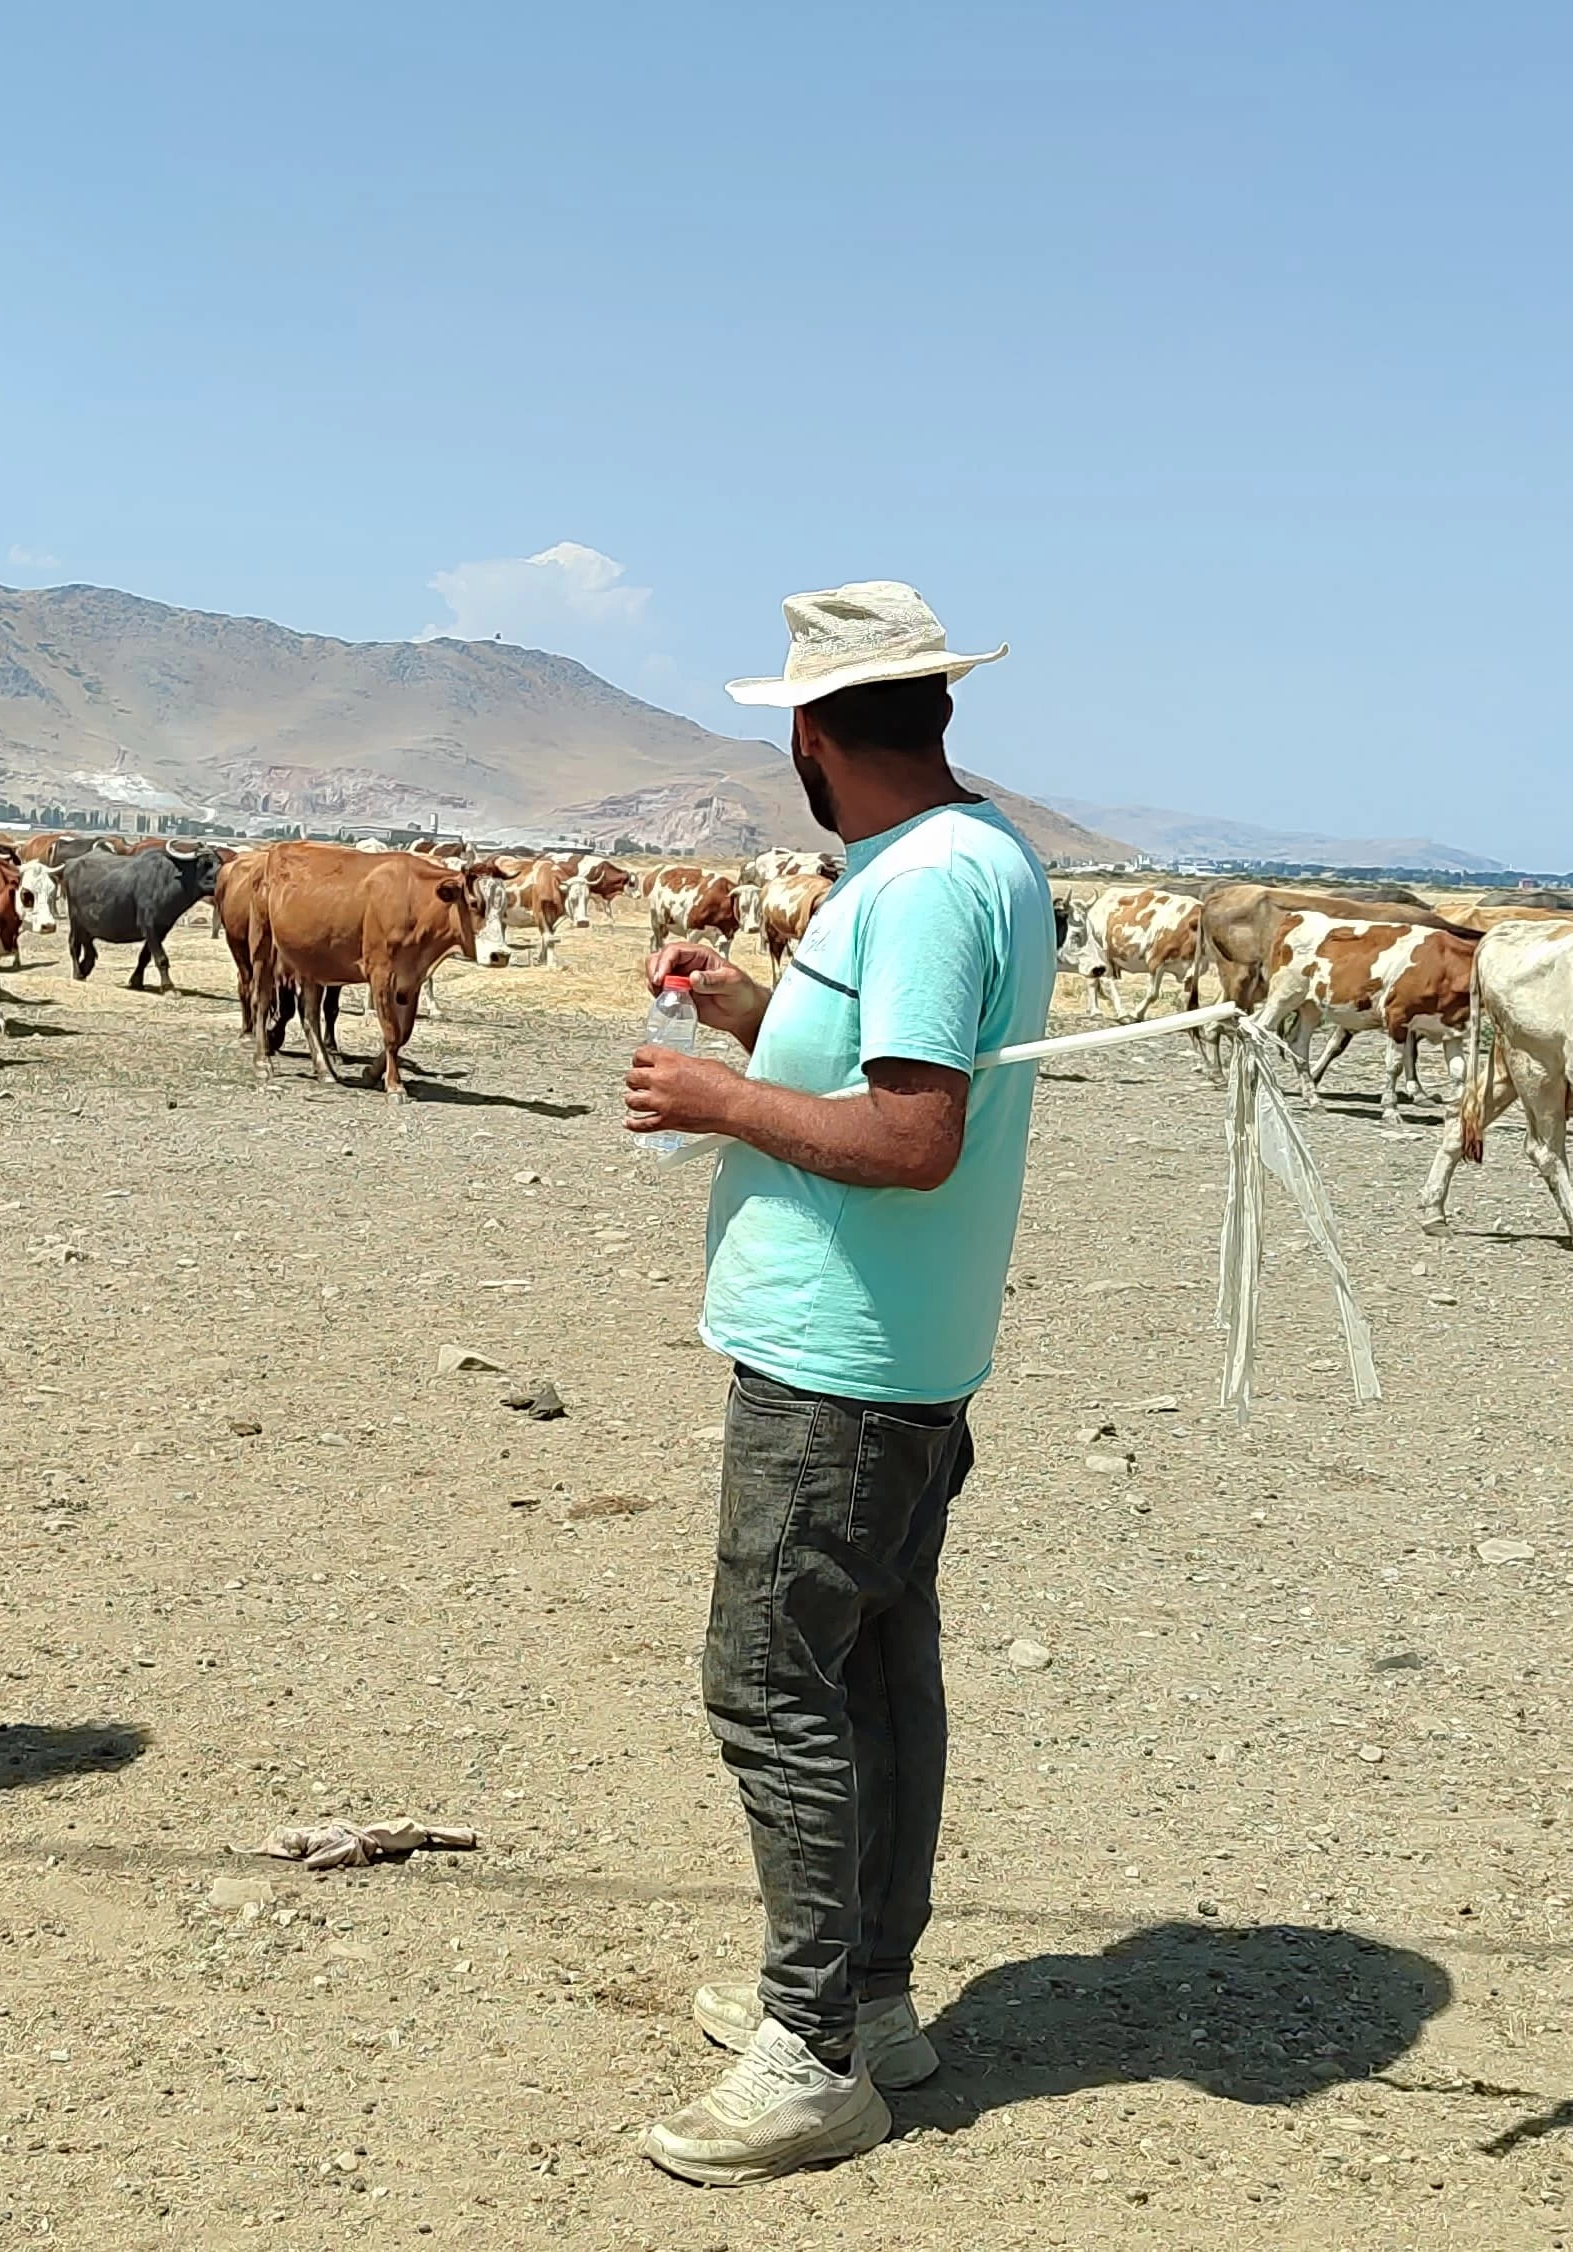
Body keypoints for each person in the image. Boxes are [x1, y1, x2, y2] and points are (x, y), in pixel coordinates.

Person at [618, 582, 1057, 2185]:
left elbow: (913, 1139)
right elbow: (888, 1068)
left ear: (810, 731)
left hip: (843, 1366)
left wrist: (723, 1100)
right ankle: (870, 2005)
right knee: (871, 1672)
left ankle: (809, 2053)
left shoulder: (930, 883)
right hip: (896, 1352)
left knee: (769, 1681)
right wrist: (757, 1018)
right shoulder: (961, 856)